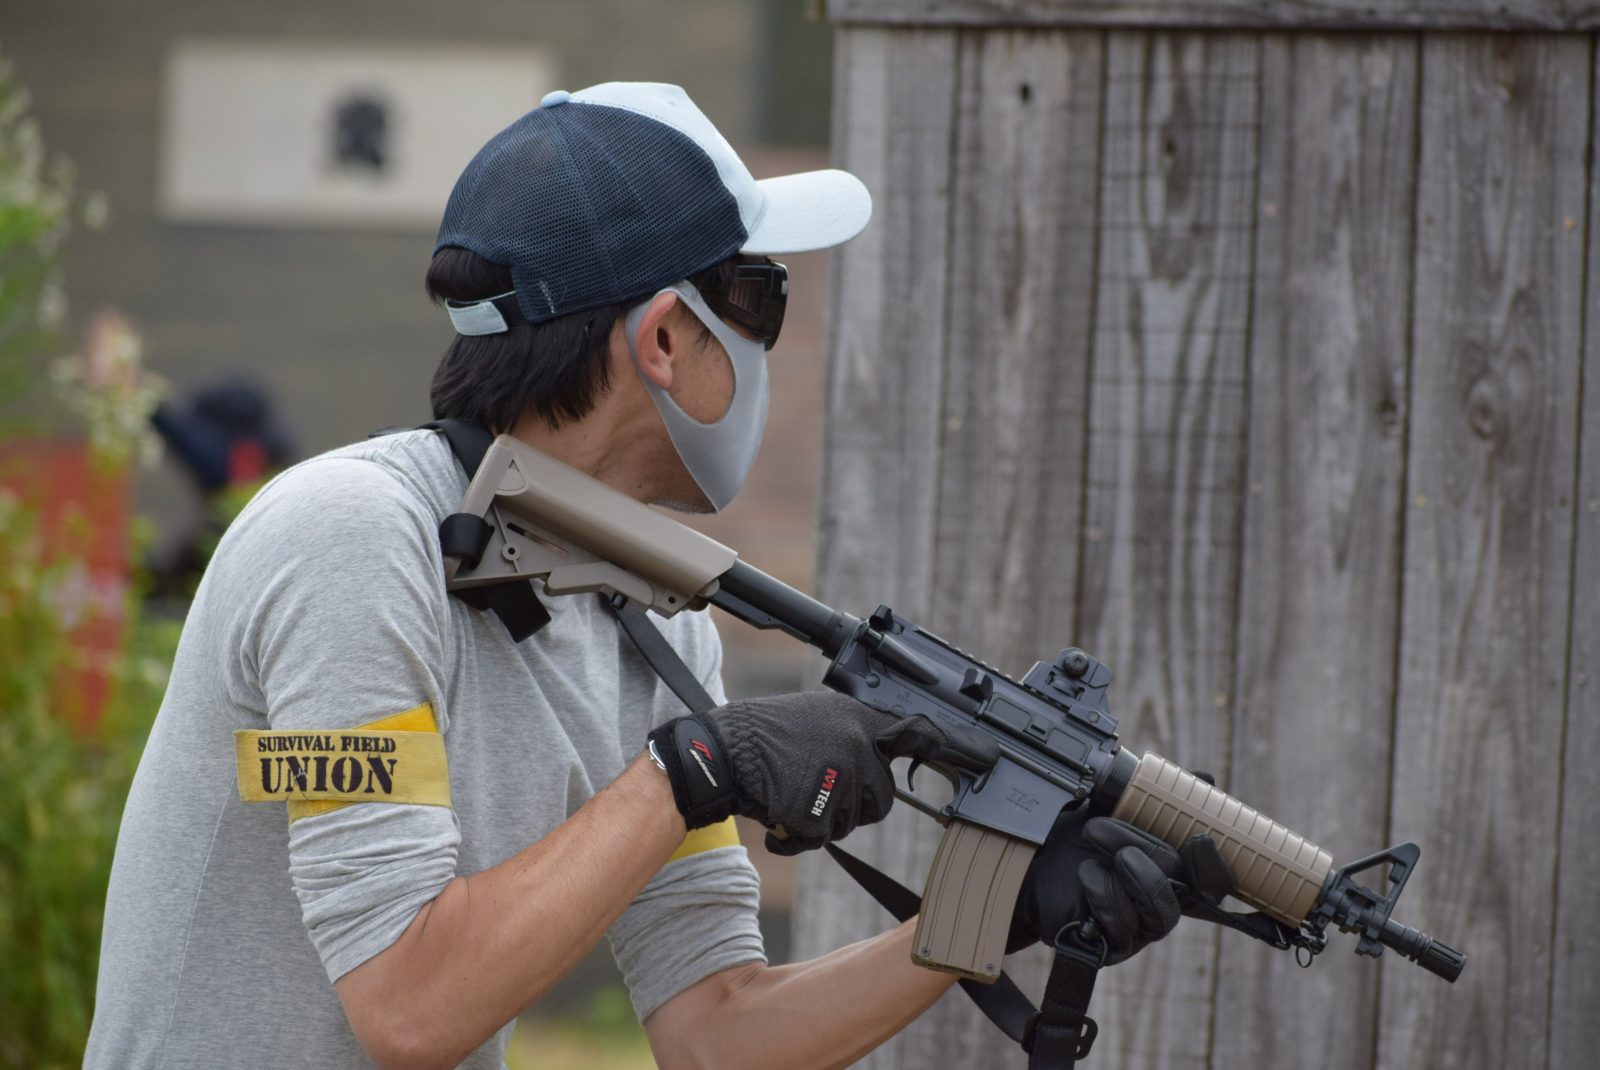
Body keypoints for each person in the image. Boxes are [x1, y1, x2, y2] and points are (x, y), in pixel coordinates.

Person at [86, 82, 1218, 1070]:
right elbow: (409, 1005)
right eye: (760, 297)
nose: (770, 341)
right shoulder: (350, 538)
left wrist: (993, 914)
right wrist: (690, 771)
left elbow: (717, 1031)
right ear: (666, 337)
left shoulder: (655, 622)